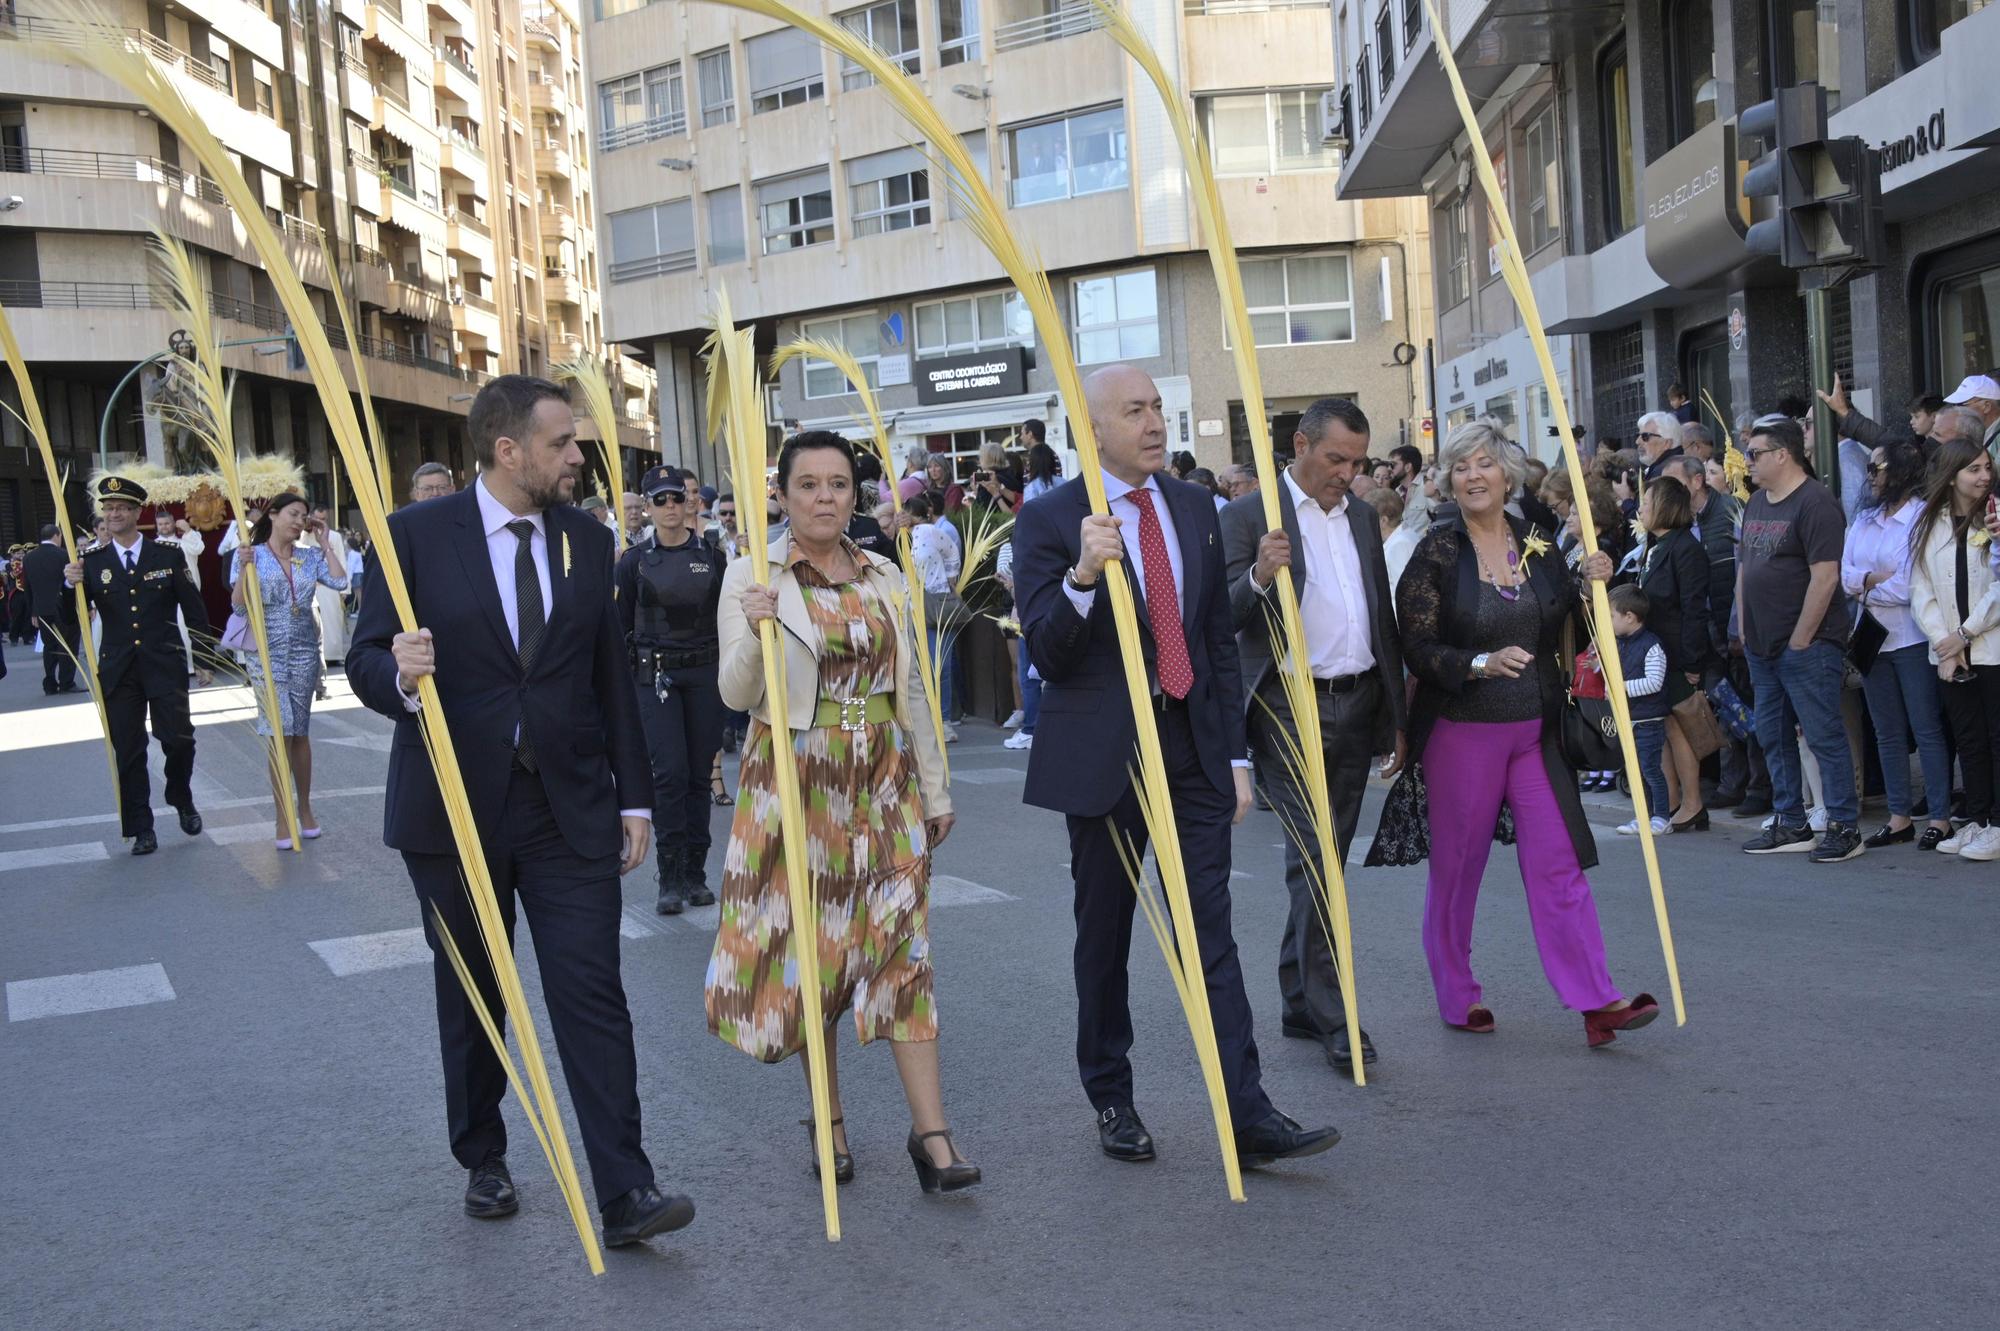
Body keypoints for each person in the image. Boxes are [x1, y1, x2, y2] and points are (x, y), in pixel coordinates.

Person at [347, 375, 692, 1249]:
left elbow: (609, 674)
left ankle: (626, 1188)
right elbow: (362, 658)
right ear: (508, 450)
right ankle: (485, 1156)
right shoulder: (415, 535)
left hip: (567, 807)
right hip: (453, 810)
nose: (578, 456)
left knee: (593, 992)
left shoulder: (589, 539)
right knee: (474, 992)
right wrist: (399, 673)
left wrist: (637, 796)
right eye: (561, 442)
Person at [1013, 363, 1339, 1169]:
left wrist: (1233, 754)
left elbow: (1214, 640)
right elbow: (1048, 653)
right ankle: (1112, 1096)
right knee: (1106, 933)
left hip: (1193, 749)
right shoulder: (1051, 518)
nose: (1155, 423)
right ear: (1092, 429)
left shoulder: (1194, 506)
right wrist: (1082, 575)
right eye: (1135, 411)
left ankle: (1246, 1110)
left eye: (1158, 407)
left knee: (1210, 932)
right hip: (1105, 760)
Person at [709, 429, 978, 1194]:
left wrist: (935, 787)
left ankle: (933, 1136)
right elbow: (736, 693)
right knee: (817, 956)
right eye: (808, 485)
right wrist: (757, 629)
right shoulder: (750, 574)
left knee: (903, 950)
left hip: (885, 780)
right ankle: (828, 1123)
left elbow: (911, 687)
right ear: (782, 495)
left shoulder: (884, 573)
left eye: (837, 484)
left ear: (854, 495)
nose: (824, 498)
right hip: (798, 781)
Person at [1392, 421, 1656, 1048]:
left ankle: (1598, 1001)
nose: (1473, 475)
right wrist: (1478, 663)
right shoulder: (1437, 553)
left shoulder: (1535, 541)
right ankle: (1457, 992)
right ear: (1448, 481)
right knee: (1459, 870)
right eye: (1460, 467)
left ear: (1507, 475)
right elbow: (1417, 647)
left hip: (1535, 734)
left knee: (1559, 862)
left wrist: (1592, 582)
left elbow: (1568, 626)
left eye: (1484, 463)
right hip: (1462, 734)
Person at [1219, 396, 1406, 1073]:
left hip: (1357, 702)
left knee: (1323, 860)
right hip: (1285, 708)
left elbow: (1377, 615)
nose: (1347, 473)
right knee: (1318, 858)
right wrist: (1258, 576)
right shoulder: (1248, 517)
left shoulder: (1359, 516)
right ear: (1300, 445)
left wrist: (1395, 715)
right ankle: (1334, 1014)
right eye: (1335, 459)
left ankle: (1300, 996)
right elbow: (1221, 616)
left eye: (1357, 461)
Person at [63, 477, 211, 854]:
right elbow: (69, 618)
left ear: (135, 512)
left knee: (179, 740)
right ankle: (141, 827)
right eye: (108, 509)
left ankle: (180, 795)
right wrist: (69, 586)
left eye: (120, 508)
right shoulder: (92, 562)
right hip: (119, 669)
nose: (113, 514)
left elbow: (194, 610)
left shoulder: (167, 555)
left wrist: (203, 658)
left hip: (164, 663)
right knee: (128, 749)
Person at [1736, 416, 1861, 862]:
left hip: (1807, 645)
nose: (1748, 462)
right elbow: (1745, 569)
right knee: (1772, 736)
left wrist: (1801, 639)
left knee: (1823, 736)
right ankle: (1791, 822)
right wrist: (1745, 628)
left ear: (1782, 455)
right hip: (1761, 646)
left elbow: (1825, 578)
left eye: (1755, 454)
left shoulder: (1816, 503)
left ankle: (1844, 827)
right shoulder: (1756, 502)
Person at [616, 465, 726, 915]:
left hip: (704, 675)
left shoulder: (713, 557)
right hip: (655, 678)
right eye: (659, 500)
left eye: (676, 497)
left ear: (690, 502)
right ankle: (670, 876)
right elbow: (619, 628)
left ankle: (695, 873)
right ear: (647, 506)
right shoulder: (633, 562)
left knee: (699, 775)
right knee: (669, 775)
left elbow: (728, 619)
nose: (670, 507)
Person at [1843, 440, 1954, 851]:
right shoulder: (1864, 518)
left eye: (1877, 468)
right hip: (1872, 639)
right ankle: (1899, 817)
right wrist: (1872, 581)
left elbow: (1910, 586)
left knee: (1926, 728)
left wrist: (1864, 584)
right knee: (1886, 731)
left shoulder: (1922, 516)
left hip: (1912, 636)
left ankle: (1940, 817)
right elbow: (1844, 575)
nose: (1870, 476)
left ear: (1901, 472)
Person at [230, 492, 349, 848]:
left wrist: (325, 544)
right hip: (266, 655)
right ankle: (282, 815)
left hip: (303, 652)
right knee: (278, 732)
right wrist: (244, 569)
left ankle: (305, 807)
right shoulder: (251, 554)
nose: (299, 521)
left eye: (303, 516)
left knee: (299, 733)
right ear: (274, 515)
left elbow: (340, 582)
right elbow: (239, 608)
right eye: (293, 514)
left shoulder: (308, 556)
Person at [1909, 437, 2000, 861]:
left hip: (1990, 647)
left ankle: (1997, 823)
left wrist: (1964, 634)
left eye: (1986, 467)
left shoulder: (1995, 516)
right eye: (1973, 469)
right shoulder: (1932, 522)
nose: (1984, 476)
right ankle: (1978, 820)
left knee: (1996, 737)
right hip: (1951, 653)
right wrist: (1946, 645)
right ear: (1951, 476)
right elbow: (1920, 588)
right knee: (1968, 740)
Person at [1634, 475, 1711, 832]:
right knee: (1664, 728)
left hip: (1677, 655)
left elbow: (1694, 609)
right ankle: (1670, 800)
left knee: (1681, 729)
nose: (1640, 509)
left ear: (1665, 506)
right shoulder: (1656, 546)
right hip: (1655, 654)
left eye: (1647, 503)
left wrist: (1692, 661)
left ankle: (1693, 803)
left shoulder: (1685, 548)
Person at [1610, 584, 1672, 837]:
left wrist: (1620, 687)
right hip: (1629, 718)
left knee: (1650, 770)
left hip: (1648, 720)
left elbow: (1654, 682)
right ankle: (1643, 816)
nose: (1608, 622)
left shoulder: (1651, 645)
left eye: (1611, 616)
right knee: (1635, 772)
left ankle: (1662, 817)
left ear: (1629, 617)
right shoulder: (1619, 644)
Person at [906, 493, 962, 742]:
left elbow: (952, 552)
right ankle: (928, 719)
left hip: (936, 601)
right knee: (921, 666)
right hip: (911, 606)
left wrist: (951, 579)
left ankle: (944, 719)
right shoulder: (899, 538)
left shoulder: (929, 532)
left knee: (940, 663)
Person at [22, 523, 79, 695]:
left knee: (49, 645)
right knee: (68, 644)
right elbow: (71, 582)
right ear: (57, 536)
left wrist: (33, 611)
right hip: (63, 607)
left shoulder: (29, 558)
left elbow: (27, 587)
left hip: (41, 609)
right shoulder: (64, 555)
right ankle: (66, 682)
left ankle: (50, 682)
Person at [306, 505, 353, 666]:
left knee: (333, 619)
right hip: (311, 586)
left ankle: (334, 654)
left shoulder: (335, 536)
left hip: (331, 586)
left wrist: (344, 589)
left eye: (323, 519)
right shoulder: (303, 535)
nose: (320, 521)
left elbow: (341, 560)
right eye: (317, 518)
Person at [1942, 373, 2000, 455]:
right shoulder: (1977, 434)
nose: (1957, 411)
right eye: (1954, 405)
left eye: (1961, 405)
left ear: (1986, 406)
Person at [1375, 487, 1418, 595]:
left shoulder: (1399, 545)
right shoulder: (1404, 535)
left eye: (1370, 519)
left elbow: (1402, 592)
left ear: (1383, 520)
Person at [969, 439, 1022, 512]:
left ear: (987, 459)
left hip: (999, 518)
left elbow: (980, 510)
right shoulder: (1011, 475)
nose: (979, 460)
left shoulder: (989, 481)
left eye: (981, 457)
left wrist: (977, 492)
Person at [1636, 412, 1685, 482]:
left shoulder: (1668, 472)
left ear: (1666, 443)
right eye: (1638, 435)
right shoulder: (1661, 467)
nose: (1637, 441)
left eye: (1645, 436)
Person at [1021, 431, 1061, 505]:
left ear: (1033, 464)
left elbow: (1029, 510)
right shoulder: (1064, 483)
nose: (1021, 437)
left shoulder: (1031, 488)